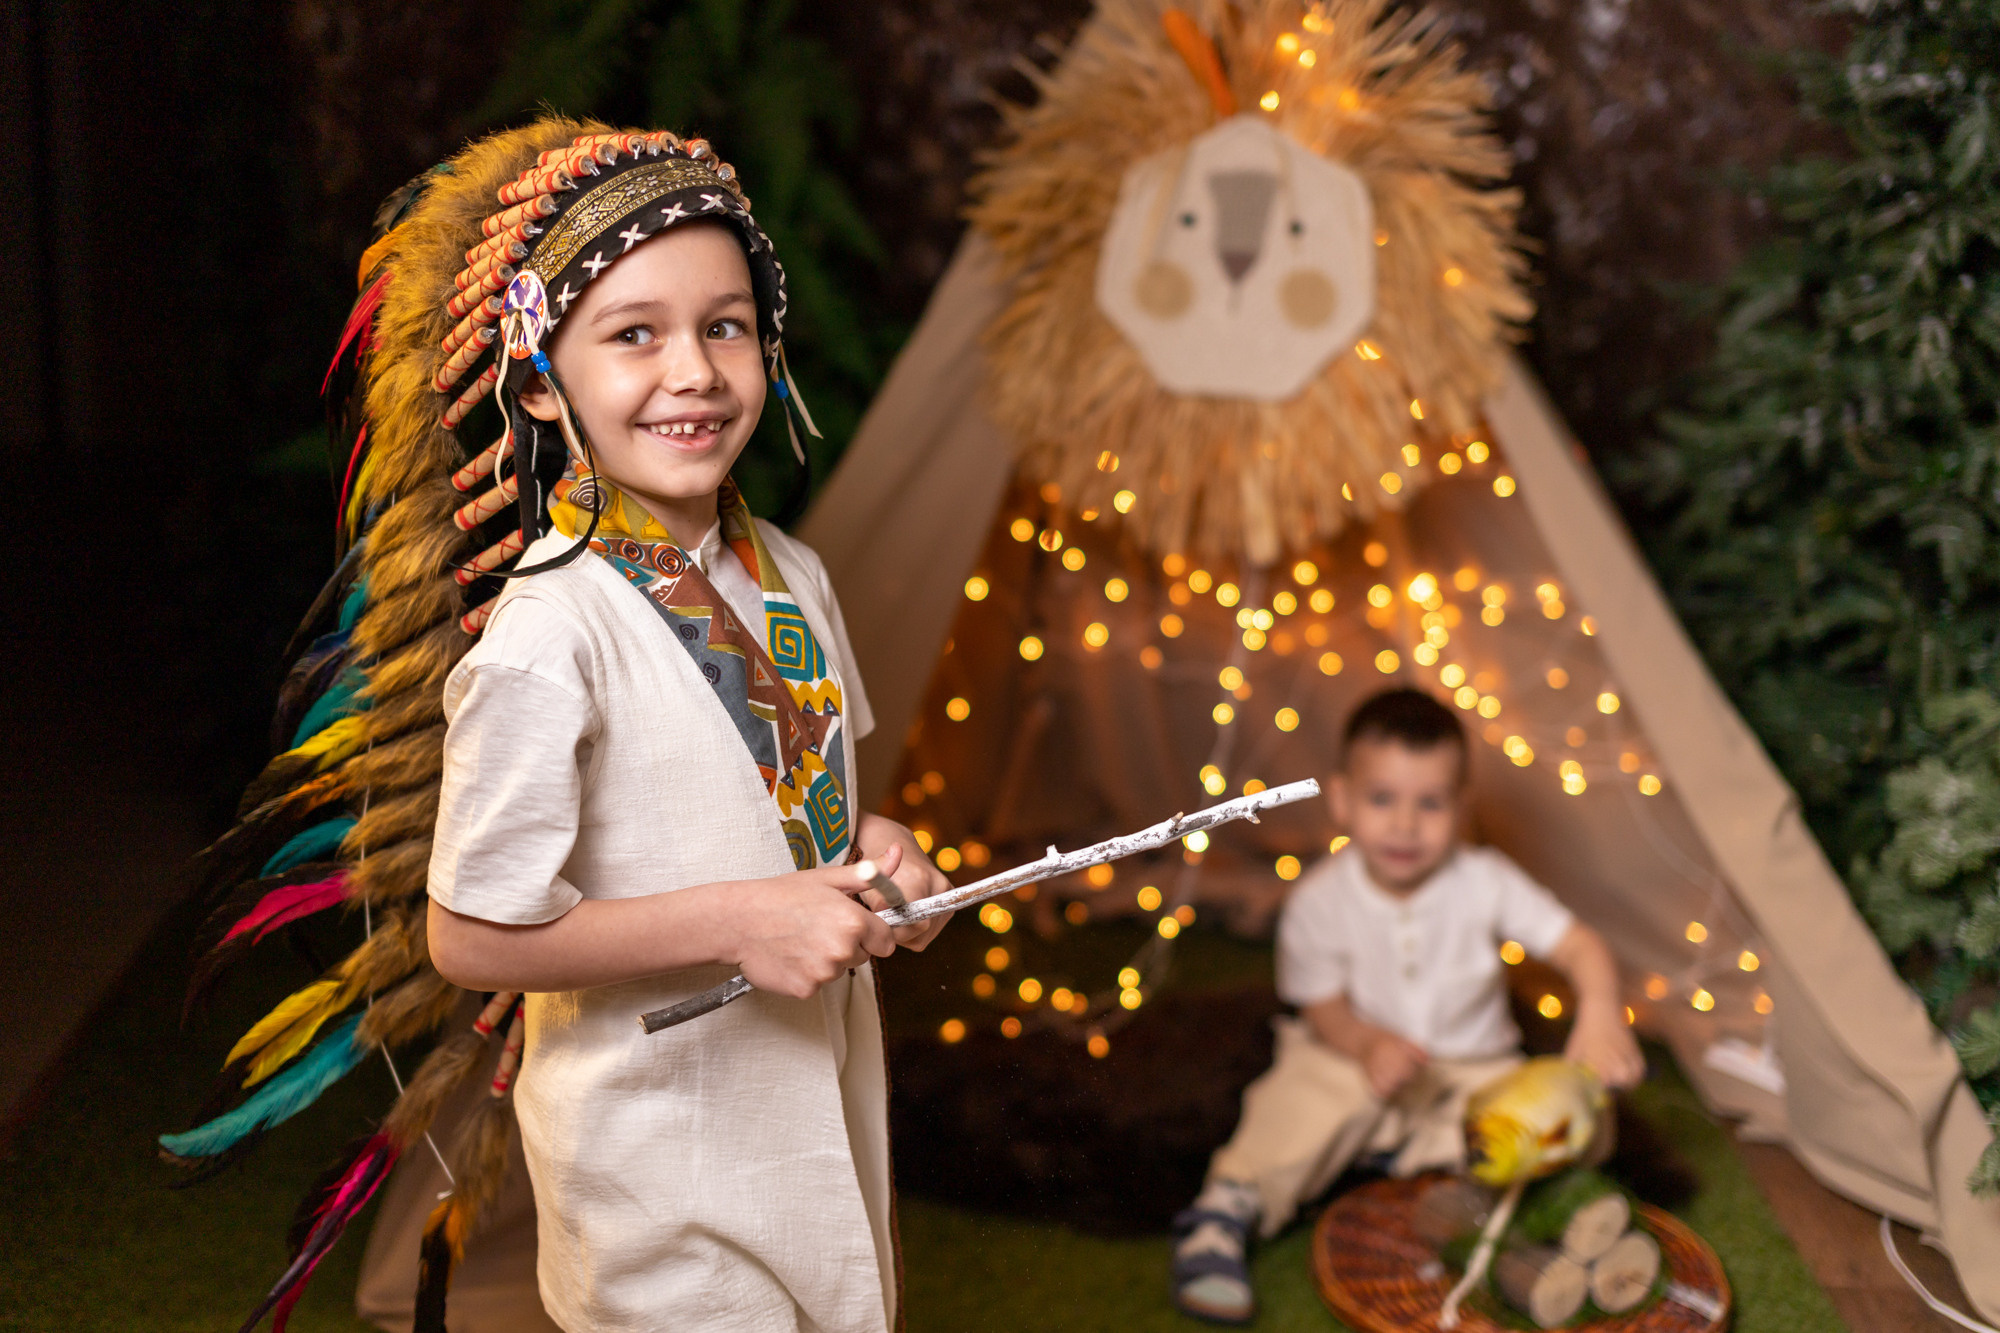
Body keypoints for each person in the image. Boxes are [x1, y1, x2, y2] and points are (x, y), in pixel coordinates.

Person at [1171, 687, 1644, 1325]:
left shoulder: (1485, 880)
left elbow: (1580, 944)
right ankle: (1228, 1209)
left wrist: (1601, 1010)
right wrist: (1367, 1044)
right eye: (1382, 799)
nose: (1404, 824)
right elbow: (1324, 1008)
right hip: (1355, 1054)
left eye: (1430, 803)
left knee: (1572, 1118)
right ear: (1341, 799)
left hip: (1473, 1072)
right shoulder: (1320, 901)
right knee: (1304, 1096)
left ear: (1460, 808)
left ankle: (1424, 1163)